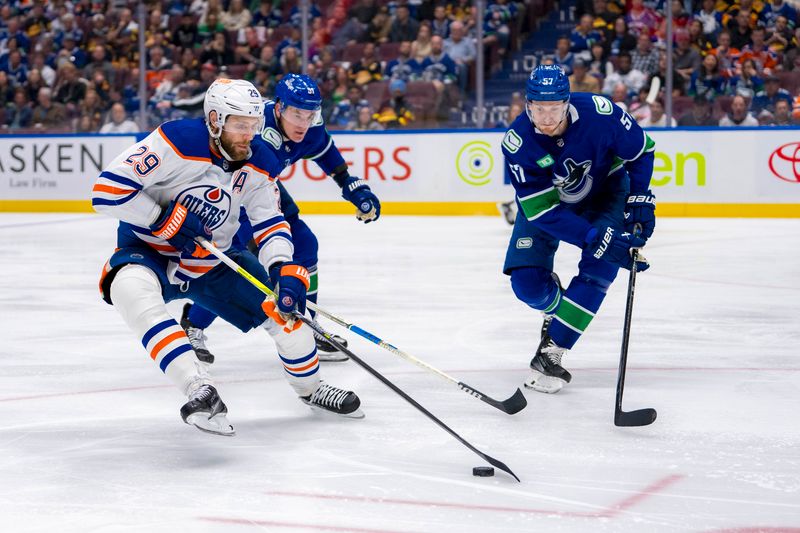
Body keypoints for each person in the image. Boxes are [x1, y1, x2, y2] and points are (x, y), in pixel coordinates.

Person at [92, 79, 364, 436]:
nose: (248, 134)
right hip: (148, 252)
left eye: (253, 125)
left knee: (286, 312)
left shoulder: (260, 160)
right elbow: (106, 191)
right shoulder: (177, 140)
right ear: (216, 119)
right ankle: (199, 389)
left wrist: (283, 266)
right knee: (128, 288)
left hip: (215, 261)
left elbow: (268, 220)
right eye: (240, 125)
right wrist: (162, 219)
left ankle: (312, 389)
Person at [181, 74, 381, 364]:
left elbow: (324, 150)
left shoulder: (311, 125)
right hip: (233, 193)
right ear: (278, 108)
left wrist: (349, 182)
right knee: (238, 267)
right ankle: (193, 324)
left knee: (304, 244)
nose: (303, 122)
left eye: (309, 114)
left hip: (265, 187)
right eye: (296, 113)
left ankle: (308, 326)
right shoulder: (256, 131)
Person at [500, 65, 654, 393]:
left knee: (601, 266)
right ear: (527, 105)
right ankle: (558, 311)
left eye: (553, 108)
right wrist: (590, 237)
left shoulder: (601, 114)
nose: (545, 117)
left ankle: (553, 350)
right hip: (549, 207)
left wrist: (640, 197)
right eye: (537, 109)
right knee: (526, 285)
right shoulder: (517, 143)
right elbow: (541, 211)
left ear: (567, 103)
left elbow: (643, 150)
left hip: (606, 193)